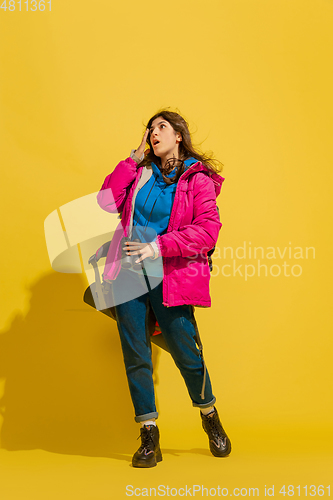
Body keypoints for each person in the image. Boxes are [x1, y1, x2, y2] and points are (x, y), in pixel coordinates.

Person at [97, 110, 231, 467]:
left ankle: (208, 414)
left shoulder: (197, 180)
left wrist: (156, 246)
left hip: (169, 275)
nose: (154, 134)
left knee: (187, 352)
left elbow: (208, 231)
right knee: (135, 354)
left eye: (162, 127)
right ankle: (148, 436)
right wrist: (131, 160)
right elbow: (106, 201)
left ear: (179, 136)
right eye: (150, 130)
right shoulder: (139, 173)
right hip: (127, 274)